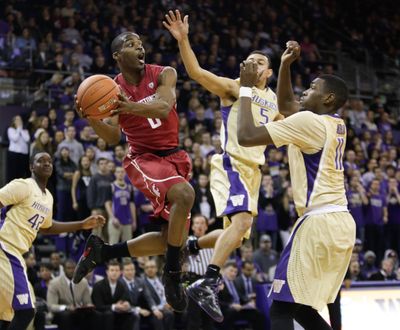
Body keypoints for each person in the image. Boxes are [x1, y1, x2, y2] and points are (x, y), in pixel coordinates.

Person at [73, 31, 220, 312]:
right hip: (143, 158)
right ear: (117, 56)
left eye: (141, 44)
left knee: (169, 239)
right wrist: (92, 119)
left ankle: (103, 251)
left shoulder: (164, 73)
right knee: (185, 194)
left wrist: (129, 106)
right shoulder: (112, 88)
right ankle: (173, 274)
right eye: (131, 45)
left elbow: (164, 107)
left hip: (174, 156)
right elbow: (113, 137)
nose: (140, 48)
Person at [163, 10, 282, 322]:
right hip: (232, 164)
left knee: (236, 236)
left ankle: (192, 244)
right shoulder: (233, 87)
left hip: (254, 172)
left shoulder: (274, 100)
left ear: (269, 72)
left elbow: (292, 123)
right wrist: (184, 40)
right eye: (249, 60)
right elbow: (197, 73)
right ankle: (209, 281)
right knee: (242, 224)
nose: (252, 65)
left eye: (259, 62)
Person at [236, 44, 355, 330]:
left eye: (312, 87)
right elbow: (289, 107)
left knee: (280, 307)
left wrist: (245, 89)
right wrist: (285, 66)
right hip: (340, 221)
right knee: (299, 307)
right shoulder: (335, 123)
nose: (305, 90)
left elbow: (246, 135)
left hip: (319, 222)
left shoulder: (308, 123)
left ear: (327, 97)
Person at [0, 152, 105, 329]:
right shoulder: (23, 185)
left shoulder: (48, 197)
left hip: (15, 252)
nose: (47, 163)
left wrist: (81, 224)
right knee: (25, 311)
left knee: (9, 314)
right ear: (31, 167)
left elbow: (47, 227)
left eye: (49, 161)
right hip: (5, 247)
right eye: (41, 161)